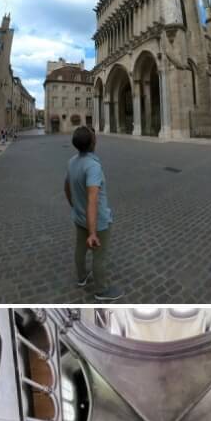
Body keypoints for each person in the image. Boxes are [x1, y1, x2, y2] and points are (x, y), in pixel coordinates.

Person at [64, 125, 122, 301]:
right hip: (97, 221)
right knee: (99, 256)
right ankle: (102, 290)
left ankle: (81, 277)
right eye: (93, 136)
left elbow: (66, 187)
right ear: (92, 143)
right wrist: (93, 232)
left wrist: (74, 206)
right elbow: (93, 199)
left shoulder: (72, 161)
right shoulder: (92, 167)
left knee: (80, 249)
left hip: (79, 217)